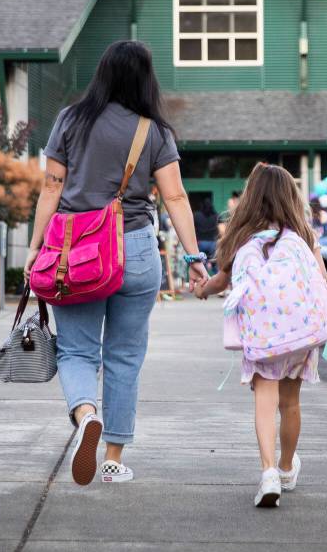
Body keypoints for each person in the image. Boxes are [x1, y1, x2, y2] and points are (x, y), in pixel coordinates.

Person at [25, 40, 209, 486]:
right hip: (137, 250)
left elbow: (51, 189)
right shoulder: (155, 131)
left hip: (76, 253)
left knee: (76, 350)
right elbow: (175, 197)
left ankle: (86, 412)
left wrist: (34, 249)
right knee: (125, 356)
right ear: (146, 79)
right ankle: (112, 457)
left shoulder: (70, 120)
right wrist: (194, 256)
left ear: (102, 74)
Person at [192, 163, 327, 507]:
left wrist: (201, 290)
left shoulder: (243, 239)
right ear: (290, 198)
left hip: (263, 336)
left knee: (265, 403)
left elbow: (219, 283)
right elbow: (322, 283)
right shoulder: (304, 238)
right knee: (291, 403)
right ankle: (286, 468)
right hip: (299, 336)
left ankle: (268, 472)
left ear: (252, 198)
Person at [192, 196, 219, 268]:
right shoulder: (216, 215)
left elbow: (193, 228)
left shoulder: (196, 215)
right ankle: (211, 267)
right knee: (215, 264)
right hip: (212, 243)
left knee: (200, 264)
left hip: (201, 242)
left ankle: (203, 273)